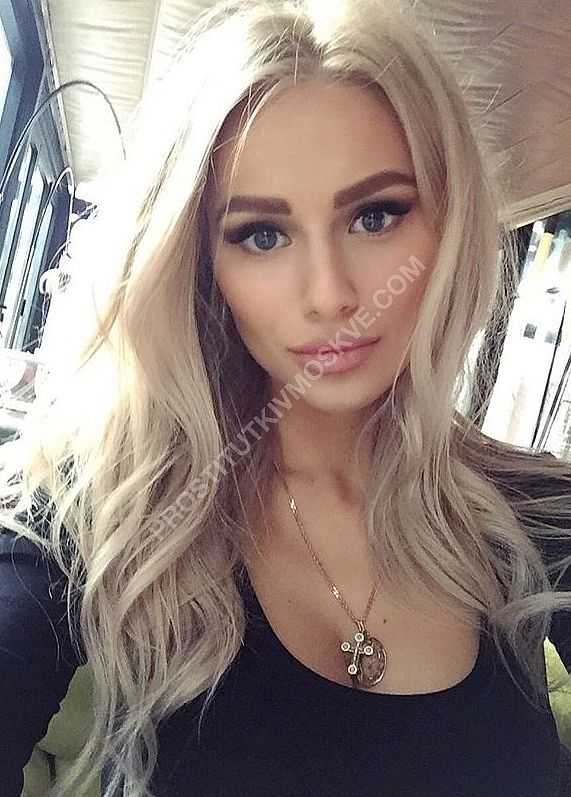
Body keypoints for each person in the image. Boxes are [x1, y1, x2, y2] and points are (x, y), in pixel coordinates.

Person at [1, 1, 571, 795]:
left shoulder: (537, 514)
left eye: (375, 215)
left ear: (446, 224)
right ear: (201, 264)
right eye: (262, 235)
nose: (330, 293)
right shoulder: (104, 512)